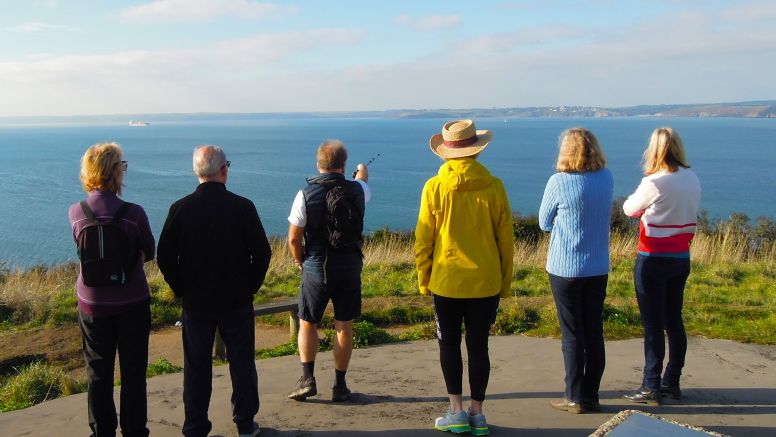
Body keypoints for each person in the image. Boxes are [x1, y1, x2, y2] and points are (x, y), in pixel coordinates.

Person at [157, 145, 271, 437]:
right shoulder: (243, 206)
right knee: (242, 362)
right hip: (236, 298)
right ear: (224, 170)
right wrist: (251, 287)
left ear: (197, 171)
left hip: (197, 301)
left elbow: (165, 256)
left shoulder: (180, 208)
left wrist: (181, 288)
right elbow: (262, 252)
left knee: (196, 366)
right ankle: (245, 422)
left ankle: (195, 426)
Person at [415, 120, 514, 435]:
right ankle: (477, 413)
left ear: (445, 153)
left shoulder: (434, 187)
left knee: (448, 344)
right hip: (486, 282)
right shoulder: (495, 186)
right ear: (477, 151)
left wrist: (423, 278)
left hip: (446, 281)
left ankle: (456, 410)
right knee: (479, 346)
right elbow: (506, 242)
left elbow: (423, 240)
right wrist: (505, 282)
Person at [68, 142, 155, 437]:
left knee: (98, 372)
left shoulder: (76, 212)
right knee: (133, 373)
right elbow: (150, 250)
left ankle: (101, 431)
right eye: (123, 166)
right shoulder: (134, 213)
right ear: (115, 173)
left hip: (92, 304)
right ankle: (134, 430)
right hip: (132, 302)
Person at [286, 139, 370, 402]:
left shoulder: (305, 194)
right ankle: (340, 385)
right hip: (349, 265)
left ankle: (307, 378)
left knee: (308, 322)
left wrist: (300, 260)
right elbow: (364, 181)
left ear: (318, 164)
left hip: (316, 267)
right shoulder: (358, 190)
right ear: (344, 166)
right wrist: (360, 170)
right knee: (344, 325)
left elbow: (293, 239)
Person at [622, 127, 701, 406]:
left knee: (653, 325)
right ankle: (672, 382)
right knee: (674, 321)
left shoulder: (654, 182)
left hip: (653, 258)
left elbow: (628, 209)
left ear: (653, 150)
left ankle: (650, 385)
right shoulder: (691, 178)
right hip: (681, 258)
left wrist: (646, 209)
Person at [538, 128, 613, 414]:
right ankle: (591, 395)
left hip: (565, 267)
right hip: (597, 266)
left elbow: (544, 222)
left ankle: (573, 396)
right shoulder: (606, 177)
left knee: (572, 334)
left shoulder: (559, 181)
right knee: (594, 330)